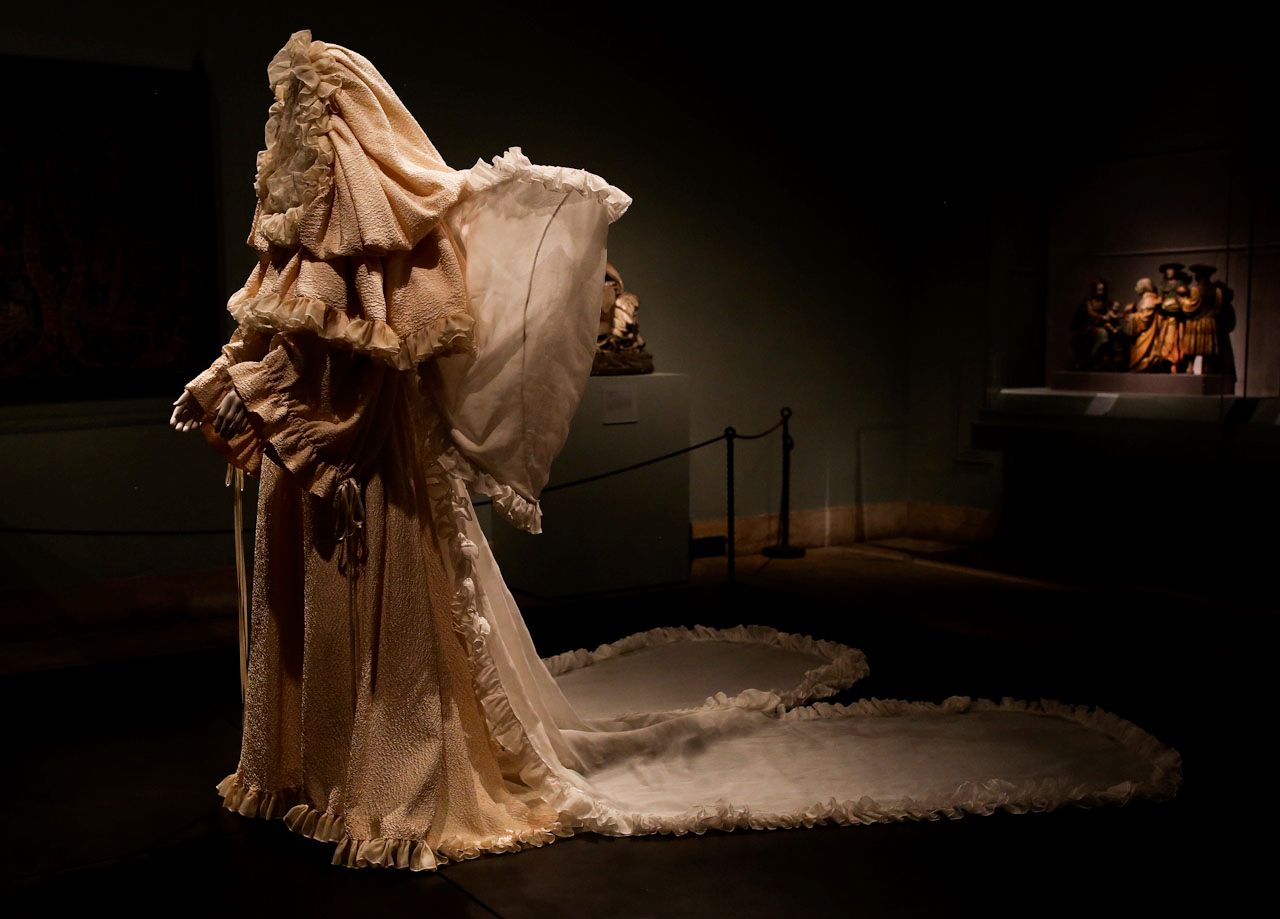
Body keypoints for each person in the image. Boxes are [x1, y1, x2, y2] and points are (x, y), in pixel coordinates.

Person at [172, 30, 1181, 872]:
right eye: (284, 118)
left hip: (367, 486)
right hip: (312, 488)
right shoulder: (300, 247)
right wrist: (234, 386)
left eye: (303, 115)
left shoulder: (386, 243)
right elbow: (283, 340)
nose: (287, 136)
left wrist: (254, 397)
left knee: (396, 652)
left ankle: (379, 777)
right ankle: (310, 768)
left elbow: (360, 369)